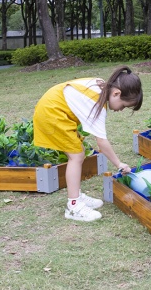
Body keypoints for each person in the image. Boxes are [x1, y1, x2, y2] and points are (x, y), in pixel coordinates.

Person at [33, 65, 143, 222]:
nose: (121, 110)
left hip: (55, 109)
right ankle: (73, 206)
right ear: (116, 93)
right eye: (124, 105)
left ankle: (76, 195)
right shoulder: (96, 102)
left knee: (79, 153)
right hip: (51, 113)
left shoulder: (101, 85)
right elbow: (102, 143)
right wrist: (119, 163)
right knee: (76, 156)